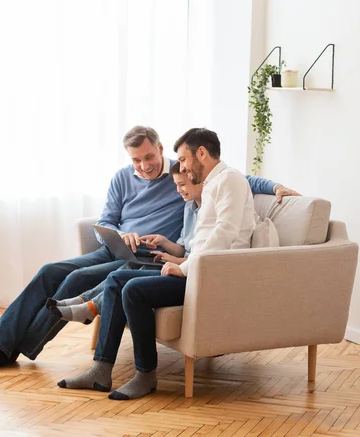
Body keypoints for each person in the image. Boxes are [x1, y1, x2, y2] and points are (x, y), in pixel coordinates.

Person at [0, 126, 298, 369]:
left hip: (147, 257)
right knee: (49, 271)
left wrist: (275, 184)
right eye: (136, 160)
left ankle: (10, 350)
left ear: (160, 150)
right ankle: (0, 343)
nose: (143, 166)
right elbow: (106, 221)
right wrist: (120, 234)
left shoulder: (183, 174)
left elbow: (237, 179)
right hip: (114, 249)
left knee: (76, 281)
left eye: (148, 157)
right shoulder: (122, 177)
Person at [59, 127, 265, 400]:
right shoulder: (213, 184)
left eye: (183, 158)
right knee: (117, 280)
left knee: (133, 290)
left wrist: (183, 267)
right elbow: (204, 240)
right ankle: (101, 368)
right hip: (200, 269)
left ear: (201, 153)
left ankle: (145, 375)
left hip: (214, 276)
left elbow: (222, 237)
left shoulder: (229, 181)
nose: (181, 166)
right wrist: (182, 260)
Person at [47, 161, 202, 325]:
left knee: (125, 272)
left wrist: (174, 260)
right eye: (176, 185)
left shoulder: (205, 211)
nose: (178, 190)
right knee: (133, 264)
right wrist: (163, 241)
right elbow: (182, 248)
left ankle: (90, 308)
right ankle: (82, 300)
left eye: (182, 185)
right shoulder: (188, 207)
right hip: (141, 253)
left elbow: (199, 257)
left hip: (184, 269)